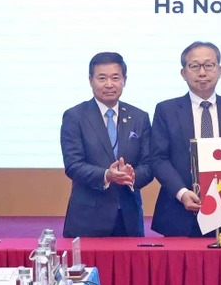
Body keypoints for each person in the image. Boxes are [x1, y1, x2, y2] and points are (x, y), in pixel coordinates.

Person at [150, 41, 221, 237]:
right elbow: (158, 158)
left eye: (208, 65)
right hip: (179, 212)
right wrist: (181, 192)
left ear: (219, 70)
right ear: (183, 73)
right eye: (194, 66)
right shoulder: (166, 110)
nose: (202, 73)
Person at [61, 52, 153, 238]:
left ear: (124, 80)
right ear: (90, 80)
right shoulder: (75, 116)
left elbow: (150, 163)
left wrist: (132, 176)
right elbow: (73, 165)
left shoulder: (139, 117)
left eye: (115, 78)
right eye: (102, 78)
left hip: (129, 218)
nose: (109, 84)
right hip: (87, 218)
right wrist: (106, 175)